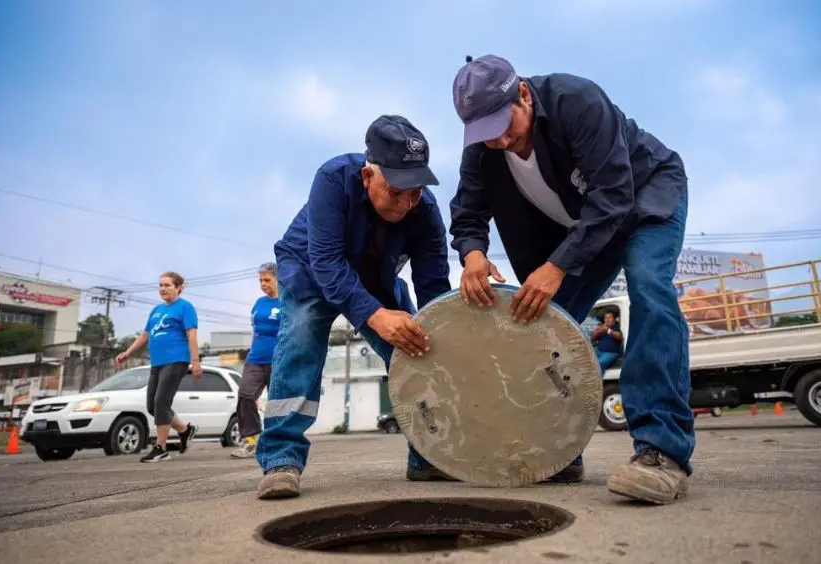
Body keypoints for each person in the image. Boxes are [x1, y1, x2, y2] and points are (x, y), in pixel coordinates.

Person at [449, 54, 695, 504]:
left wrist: (556, 267)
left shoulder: (575, 100)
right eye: (486, 135)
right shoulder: (483, 149)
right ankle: (558, 453)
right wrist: (473, 254)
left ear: (523, 93)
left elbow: (614, 195)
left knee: (649, 287)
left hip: (645, 199)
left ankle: (662, 452)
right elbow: (467, 211)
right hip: (583, 230)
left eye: (507, 125)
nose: (501, 140)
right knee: (542, 325)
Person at [255, 114, 452, 499]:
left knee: (417, 348)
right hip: (312, 270)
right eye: (396, 191)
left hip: (374, 279)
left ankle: (427, 456)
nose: (406, 203)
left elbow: (433, 289)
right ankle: (281, 458)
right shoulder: (332, 180)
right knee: (301, 338)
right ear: (367, 177)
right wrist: (375, 316)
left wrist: (436, 334)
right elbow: (327, 264)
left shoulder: (424, 211)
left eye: (416, 191)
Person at [116, 271, 201, 463]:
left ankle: (160, 448)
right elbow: (145, 336)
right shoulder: (156, 310)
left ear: (179, 287)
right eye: (160, 285)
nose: (163, 289)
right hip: (157, 361)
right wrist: (127, 353)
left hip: (176, 359)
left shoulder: (185, 308)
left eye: (167, 285)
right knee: (152, 406)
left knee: (162, 401)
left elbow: (192, 335)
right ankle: (184, 429)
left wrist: (195, 361)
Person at [230, 262, 281, 459]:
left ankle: (279, 442)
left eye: (267, 280)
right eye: (260, 280)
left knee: (278, 401)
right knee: (245, 395)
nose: (263, 284)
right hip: (255, 358)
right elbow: (256, 332)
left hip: (278, 359)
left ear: (278, 279)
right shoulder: (259, 303)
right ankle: (250, 441)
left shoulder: (287, 302)